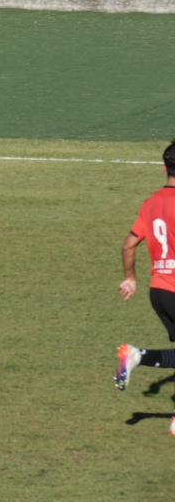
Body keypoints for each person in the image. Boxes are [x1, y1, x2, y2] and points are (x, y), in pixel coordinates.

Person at [115, 140, 175, 437]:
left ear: (164, 168)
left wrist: (130, 278)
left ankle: (138, 356)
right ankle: (138, 355)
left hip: (159, 292)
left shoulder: (150, 204)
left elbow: (128, 246)